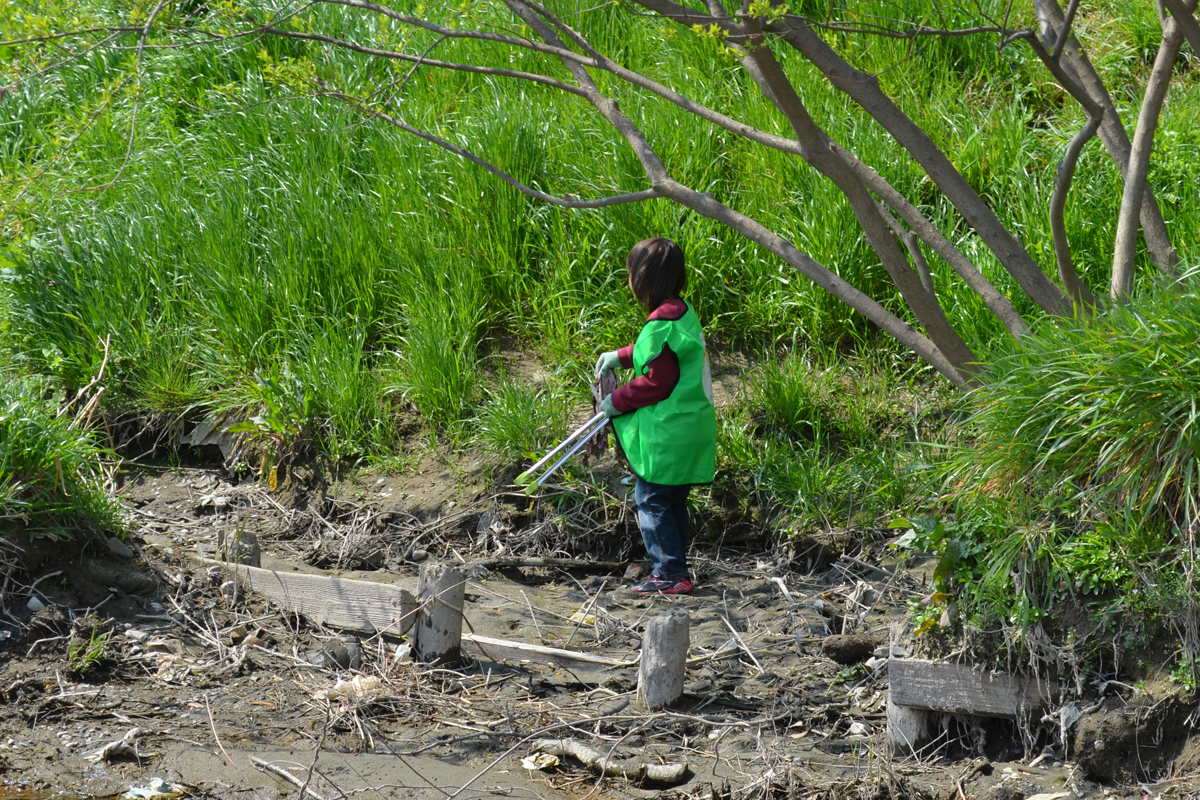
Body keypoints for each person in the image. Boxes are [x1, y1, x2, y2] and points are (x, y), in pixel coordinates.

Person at [594, 237, 717, 595]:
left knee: (651, 498)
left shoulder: (658, 325)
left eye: (630, 272)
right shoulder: (682, 312)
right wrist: (619, 355)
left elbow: (657, 381)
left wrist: (617, 399)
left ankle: (669, 573)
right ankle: (677, 567)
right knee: (673, 499)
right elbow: (660, 354)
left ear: (644, 279)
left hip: (668, 433)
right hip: (691, 428)